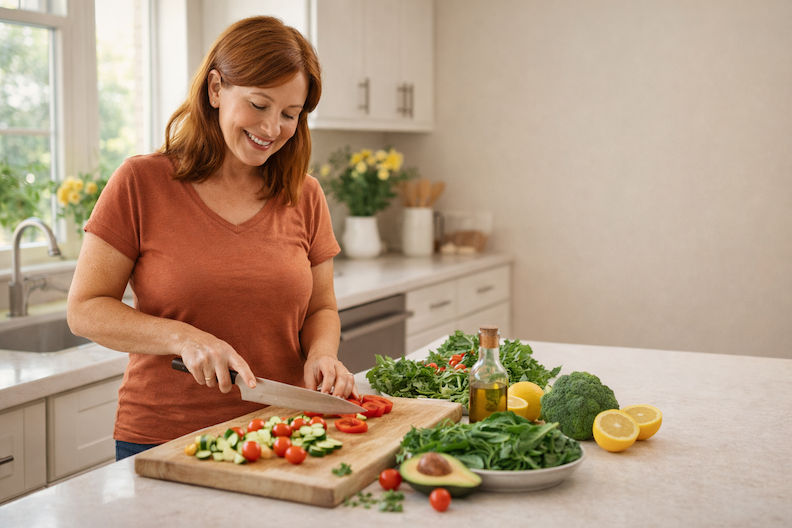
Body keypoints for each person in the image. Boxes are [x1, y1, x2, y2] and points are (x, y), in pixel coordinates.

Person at [67, 16, 357, 461]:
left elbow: (321, 307)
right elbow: (85, 310)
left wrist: (323, 354)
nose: (272, 128)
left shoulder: (305, 194)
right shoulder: (141, 182)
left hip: (283, 432)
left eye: (289, 114)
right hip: (166, 437)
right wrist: (184, 338)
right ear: (216, 88)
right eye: (259, 105)